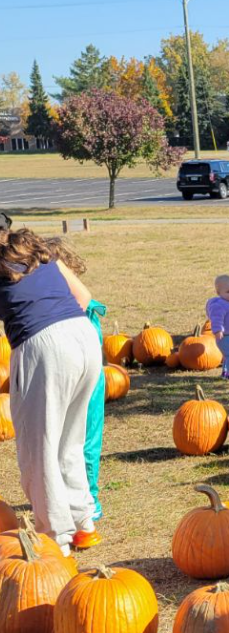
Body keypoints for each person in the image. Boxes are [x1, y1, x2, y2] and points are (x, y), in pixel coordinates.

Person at [0, 225, 102, 555]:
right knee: (69, 442)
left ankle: (55, 539)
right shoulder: (42, 253)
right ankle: (83, 524)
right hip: (83, 337)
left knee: (37, 450)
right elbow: (84, 298)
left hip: (43, 347)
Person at [43, 236, 106, 521]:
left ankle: (89, 498)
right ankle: (66, 495)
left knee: (85, 440)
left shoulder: (83, 309)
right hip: (67, 376)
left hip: (88, 383)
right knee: (62, 440)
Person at [205, 274, 229, 380]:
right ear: (219, 293)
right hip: (224, 336)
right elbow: (216, 319)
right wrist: (217, 331)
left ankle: (225, 372)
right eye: (228, 292)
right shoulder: (219, 305)